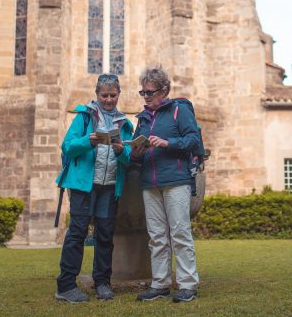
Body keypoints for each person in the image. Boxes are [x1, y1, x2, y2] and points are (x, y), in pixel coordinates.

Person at [54, 74, 133, 303]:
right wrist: (87, 141)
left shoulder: (125, 123)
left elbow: (129, 159)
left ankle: (102, 283)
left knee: (105, 236)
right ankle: (66, 285)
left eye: (113, 95)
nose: (108, 100)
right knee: (77, 234)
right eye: (104, 95)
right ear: (97, 95)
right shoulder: (85, 117)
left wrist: (120, 151)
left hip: (109, 187)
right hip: (83, 187)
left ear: (118, 95)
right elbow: (68, 146)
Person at [131, 65, 200, 303]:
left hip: (176, 180)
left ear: (164, 90)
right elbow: (135, 156)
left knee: (180, 232)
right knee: (157, 236)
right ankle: (160, 284)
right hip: (150, 183)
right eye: (143, 92)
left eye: (149, 92)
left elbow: (193, 139)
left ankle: (188, 284)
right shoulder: (141, 119)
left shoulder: (178, 111)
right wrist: (135, 151)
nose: (146, 97)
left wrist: (166, 143)